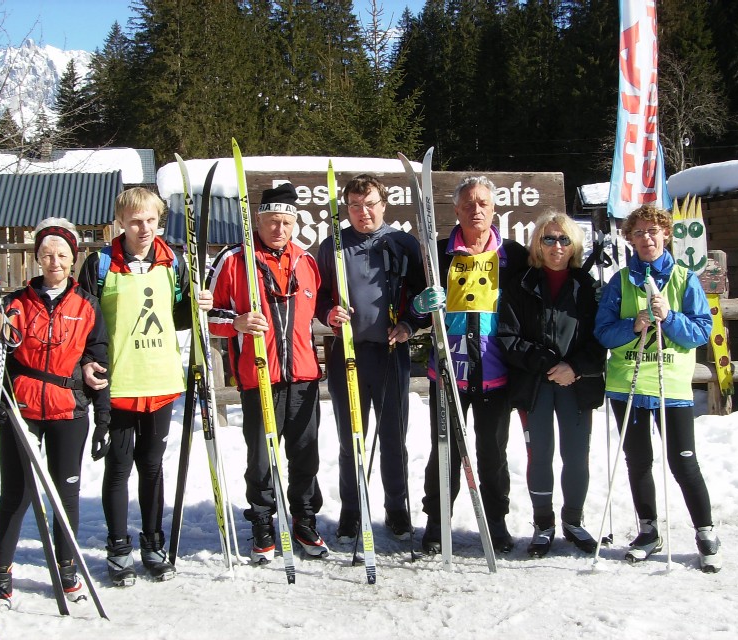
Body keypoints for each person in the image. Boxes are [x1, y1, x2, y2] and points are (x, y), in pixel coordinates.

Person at [78, 187, 212, 586]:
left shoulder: (174, 261)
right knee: (119, 469)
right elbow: (84, 319)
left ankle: (153, 544)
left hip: (160, 378)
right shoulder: (100, 263)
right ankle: (118, 549)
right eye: (135, 221)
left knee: (152, 468)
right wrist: (88, 363)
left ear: (160, 221)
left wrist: (197, 304)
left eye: (151, 220)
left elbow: (178, 316)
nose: (144, 228)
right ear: (120, 221)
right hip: (118, 381)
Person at [0, 218, 110, 607]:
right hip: (21, 409)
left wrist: (103, 416)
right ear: (37, 258)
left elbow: (98, 359)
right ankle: (2, 575)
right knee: (17, 493)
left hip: (68, 409)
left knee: (65, 494)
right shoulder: (15, 304)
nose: (54, 262)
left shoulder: (87, 306)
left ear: (73, 259)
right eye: (46, 254)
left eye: (62, 255)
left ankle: (67, 569)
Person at [594, 203, 721, 573]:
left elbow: (700, 331)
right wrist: (635, 325)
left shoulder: (684, 277)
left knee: (684, 463)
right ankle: (648, 531)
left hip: (672, 386)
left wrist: (670, 316)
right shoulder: (620, 281)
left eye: (653, 231)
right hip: (627, 385)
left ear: (666, 234)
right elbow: (602, 333)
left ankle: (705, 532)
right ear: (629, 239)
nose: (646, 238)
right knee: (638, 461)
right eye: (638, 233)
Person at [207, 183, 327, 563]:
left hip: (304, 377)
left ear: (295, 224)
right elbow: (208, 317)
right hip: (259, 376)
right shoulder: (233, 261)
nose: (279, 228)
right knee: (260, 459)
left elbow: (319, 311)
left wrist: (336, 318)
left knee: (306, 456)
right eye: (272, 221)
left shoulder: (306, 262)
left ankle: (305, 521)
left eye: (286, 222)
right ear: (258, 221)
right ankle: (262, 522)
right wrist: (238, 322)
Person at [414, 175, 529, 556]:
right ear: (456, 210)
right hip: (448, 370)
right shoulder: (439, 251)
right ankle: (437, 520)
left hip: (495, 370)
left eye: (482, 203)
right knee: (443, 449)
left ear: (494, 208)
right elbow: (414, 306)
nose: (475, 210)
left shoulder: (512, 254)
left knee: (493, 452)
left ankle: (495, 519)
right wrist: (419, 305)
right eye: (467, 204)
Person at [316, 174, 428, 542]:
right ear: (346, 208)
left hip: (390, 353)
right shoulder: (334, 245)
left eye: (370, 204)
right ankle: (351, 510)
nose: (363, 212)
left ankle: (396, 509)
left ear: (383, 204)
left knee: (394, 437)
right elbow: (319, 298)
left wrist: (410, 325)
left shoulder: (402, 243)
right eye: (354, 206)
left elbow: (421, 297)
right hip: (347, 353)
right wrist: (329, 314)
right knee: (352, 438)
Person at [498, 212, 605, 557]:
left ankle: (573, 520)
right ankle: (543, 524)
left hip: (577, 384)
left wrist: (573, 367)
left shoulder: (587, 287)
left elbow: (600, 338)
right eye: (548, 239)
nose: (556, 246)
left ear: (573, 244)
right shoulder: (521, 283)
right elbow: (508, 336)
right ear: (537, 244)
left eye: (563, 239)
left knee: (576, 456)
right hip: (536, 385)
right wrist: (549, 364)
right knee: (539, 454)